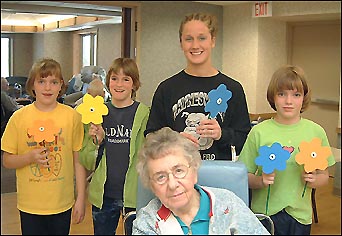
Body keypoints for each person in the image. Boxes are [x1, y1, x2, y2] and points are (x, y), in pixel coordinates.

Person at [238, 65, 336, 235]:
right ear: (273, 97)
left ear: (304, 97)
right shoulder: (259, 132)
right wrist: (260, 181)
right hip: (265, 216)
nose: (288, 101)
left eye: (296, 95)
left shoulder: (316, 132)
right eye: (282, 94)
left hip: (300, 216)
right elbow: (243, 175)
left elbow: (324, 176)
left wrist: (314, 179)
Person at [144, 12, 251, 161]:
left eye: (202, 38)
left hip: (219, 178)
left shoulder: (233, 89)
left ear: (212, 41)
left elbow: (245, 140)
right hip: (176, 176)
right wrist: (173, 140)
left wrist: (222, 134)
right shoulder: (166, 89)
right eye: (188, 39)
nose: (195, 45)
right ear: (181, 43)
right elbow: (150, 137)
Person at [1, 58, 86, 235]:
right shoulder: (19, 118)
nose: (47, 88)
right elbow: (7, 160)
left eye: (53, 82)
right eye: (42, 81)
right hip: (30, 204)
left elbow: (79, 161)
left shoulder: (72, 117)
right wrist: (29, 157)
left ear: (61, 85)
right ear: (32, 85)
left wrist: (81, 198)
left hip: (62, 203)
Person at [132, 127, 269, 235]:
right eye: (160, 177)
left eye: (179, 170)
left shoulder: (228, 204)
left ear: (194, 171)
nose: (172, 184)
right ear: (151, 186)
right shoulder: (147, 222)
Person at [79, 58, 150, 235]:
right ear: (107, 81)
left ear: (134, 84)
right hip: (103, 197)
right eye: (114, 78)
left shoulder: (144, 114)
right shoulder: (96, 113)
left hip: (135, 195)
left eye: (126, 79)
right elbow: (87, 161)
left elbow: (151, 155)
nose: (119, 84)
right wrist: (98, 142)